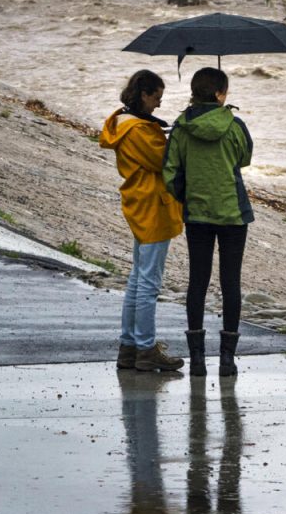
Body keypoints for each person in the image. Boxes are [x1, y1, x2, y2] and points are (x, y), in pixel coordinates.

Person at [163, 67, 253, 378]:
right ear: (218, 94)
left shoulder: (181, 127)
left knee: (197, 282)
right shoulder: (235, 125)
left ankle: (197, 359)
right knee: (231, 283)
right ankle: (227, 359)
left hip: (197, 215)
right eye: (225, 90)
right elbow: (244, 158)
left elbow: (170, 171)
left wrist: (187, 196)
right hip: (233, 214)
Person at [100, 69, 185, 372]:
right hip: (153, 206)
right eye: (157, 97)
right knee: (148, 283)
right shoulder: (139, 130)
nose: (159, 104)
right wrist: (179, 137)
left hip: (140, 202)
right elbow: (165, 161)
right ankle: (146, 348)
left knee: (137, 280)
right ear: (144, 94)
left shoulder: (124, 122)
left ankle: (129, 347)